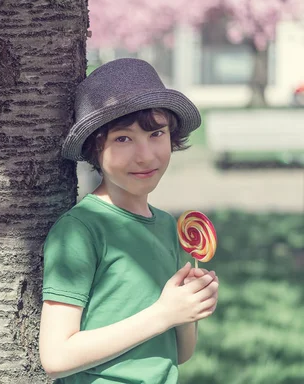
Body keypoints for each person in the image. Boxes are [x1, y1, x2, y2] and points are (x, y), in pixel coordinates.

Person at [39, 58, 220, 383]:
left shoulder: (167, 226)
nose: (145, 155)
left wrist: (187, 310)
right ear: (95, 147)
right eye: (123, 138)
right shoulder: (80, 231)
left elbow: (178, 354)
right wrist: (163, 314)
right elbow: (56, 357)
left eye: (156, 133)